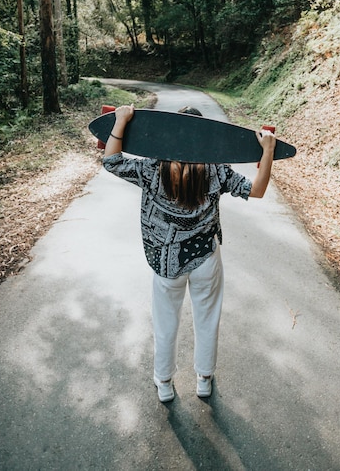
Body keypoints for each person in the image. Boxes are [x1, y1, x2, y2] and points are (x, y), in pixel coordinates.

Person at [103, 104, 276, 402]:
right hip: (205, 258)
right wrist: (268, 151)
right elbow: (256, 191)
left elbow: (112, 161)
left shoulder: (152, 167)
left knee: (165, 321)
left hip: (165, 262)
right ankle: (204, 379)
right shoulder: (215, 169)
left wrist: (120, 121)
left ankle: (165, 382)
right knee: (207, 318)